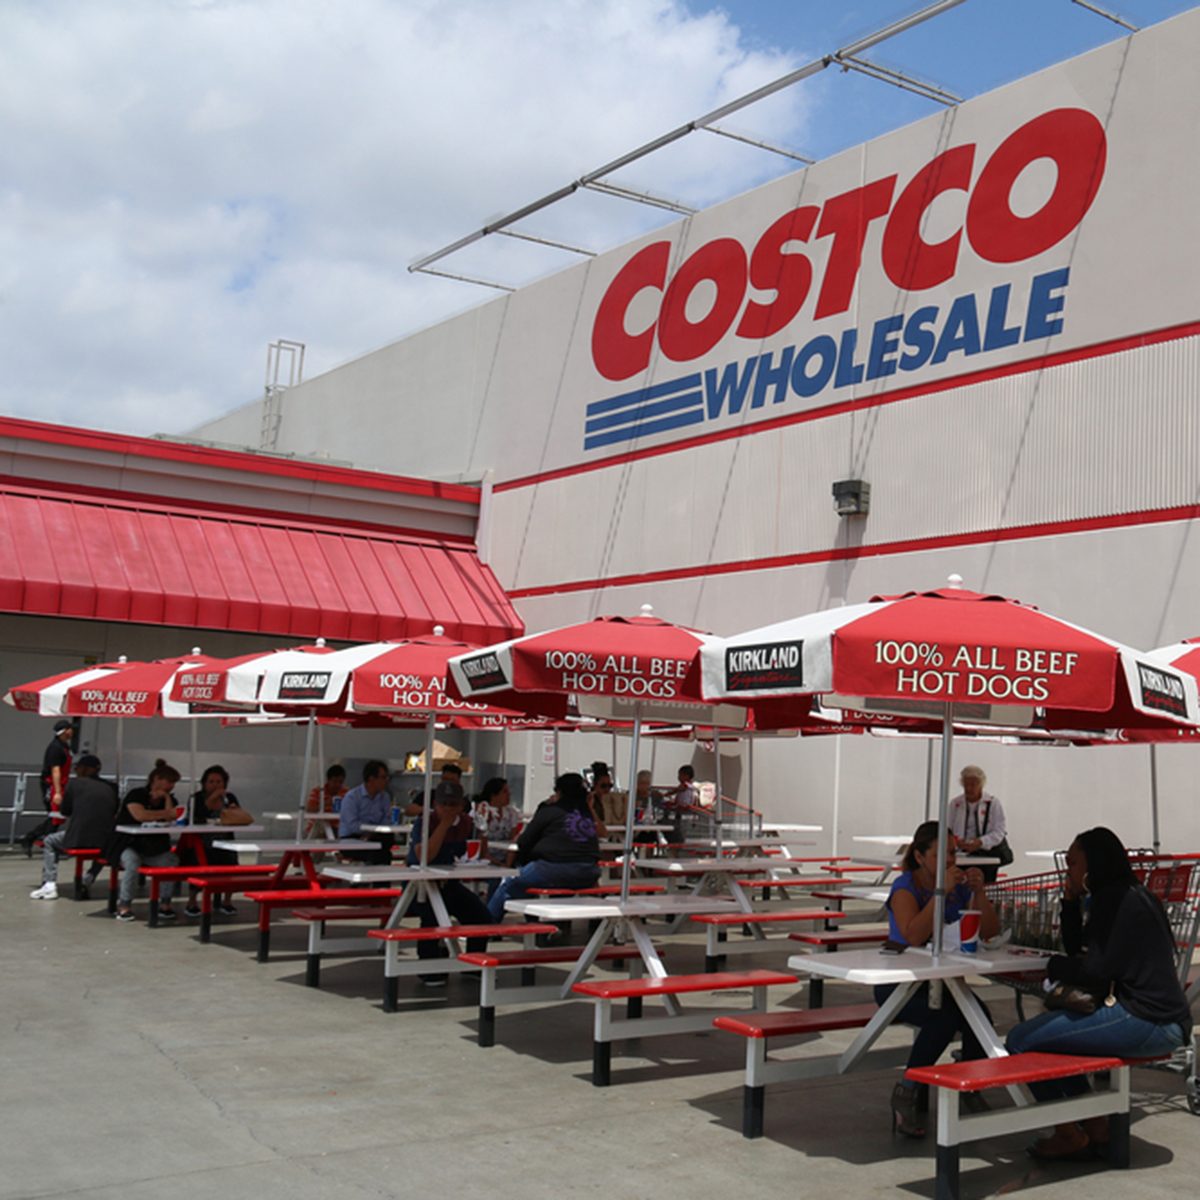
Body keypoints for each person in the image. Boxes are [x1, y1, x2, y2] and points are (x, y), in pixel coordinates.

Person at [1006, 827, 1192, 1161]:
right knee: (1057, 1040)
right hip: (1163, 1019)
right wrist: (1069, 902)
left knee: (1020, 1039)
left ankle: (1068, 1134)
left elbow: (1093, 971)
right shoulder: (1132, 894)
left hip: (1147, 1019)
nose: (1068, 871)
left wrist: (1052, 966)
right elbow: (1080, 949)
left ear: (1094, 864)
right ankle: (1096, 1127)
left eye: (1073, 863)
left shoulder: (1113, 901)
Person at [878, 820, 1000, 1138]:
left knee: (980, 1017)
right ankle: (906, 1091)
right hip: (899, 983)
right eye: (941, 853)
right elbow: (913, 935)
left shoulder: (958, 886)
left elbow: (989, 931)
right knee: (943, 1020)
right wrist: (940, 893)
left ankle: (969, 1085)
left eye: (953, 852)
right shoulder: (904, 887)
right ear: (920, 856)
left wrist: (979, 893)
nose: (950, 859)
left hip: (942, 982)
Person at [406, 780, 492, 985]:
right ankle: (428, 967)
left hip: (449, 884)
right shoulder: (424, 823)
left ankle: (473, 962)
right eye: (443, 804)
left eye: (452, 804)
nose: (447, 809)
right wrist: (443, 825)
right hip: (419, 886)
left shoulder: (467, 824)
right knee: (431, 916)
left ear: (461, 806)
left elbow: (479, 855)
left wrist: (482, 833)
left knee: (481, 916)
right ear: (435, 804)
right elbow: (424, 856)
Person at [486, 772, 605, 920]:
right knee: (530, 883)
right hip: (589, 872)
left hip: (551, 869)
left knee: (508, 884)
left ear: (559, 792)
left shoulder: (549, 811)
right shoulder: (586, 814)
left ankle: (486, 925)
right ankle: (538, 925)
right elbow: (602, 833)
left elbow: (524, 841)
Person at [29, 754, 118, 900]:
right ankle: (89, 877)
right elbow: (114, 810)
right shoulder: (112, 787)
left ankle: (49, 884)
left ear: (85, 769)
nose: (76, 771)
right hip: (105, 840)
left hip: (78, 837)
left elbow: (65, 811)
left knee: (49, 841)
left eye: (77, 768)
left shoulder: (74, 784)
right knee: (103, 850)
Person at [108, 759, 183, 923]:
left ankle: (165, 903)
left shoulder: (171, 799)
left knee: (171, 861)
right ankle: (124, 905)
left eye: (173, 783)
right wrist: (164, 814)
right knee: (132, 862)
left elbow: (173, 816)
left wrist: (166, 798)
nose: (171, 786)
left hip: (154, 847)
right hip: (127, 843)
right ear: (156, 779)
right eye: (169, 782)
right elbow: (140, 815)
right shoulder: (136, 795)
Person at [182, 764, 254, 917]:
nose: (215, 785)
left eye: (219, 782)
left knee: (230, 863)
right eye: (211, 782)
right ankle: (192, 901)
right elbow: (199, 813)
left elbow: (238, 816)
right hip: (202, 841)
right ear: (204, 783)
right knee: (198, 863)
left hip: (225, 840)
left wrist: (232, 809)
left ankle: (226, 901)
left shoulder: (229, 797)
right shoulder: (196, 798)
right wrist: (214, 797)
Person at [22, 718, 75, 857]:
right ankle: (38, 840)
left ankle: (40, 840)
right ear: (64, 731)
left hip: (61, 784)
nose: (72, 731)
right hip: (52, 784)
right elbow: (55, 770)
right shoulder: (55, 748)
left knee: (59, 816)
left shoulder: (65, 746)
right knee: (55, 816)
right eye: (70, 729)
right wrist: (57, 792)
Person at [948, 764, 1007, 883]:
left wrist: (981, 842)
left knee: (984, 886)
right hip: (961, 857)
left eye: (973, 785)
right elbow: (948, 829)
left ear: (981, 784)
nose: (969, 788)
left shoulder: (993, 803)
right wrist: (956, 842)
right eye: (966, 785)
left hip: (987, 856)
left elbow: (1000, 831)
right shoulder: (955, 804)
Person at [337, 760, 393, 864]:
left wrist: (372, 833)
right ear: (371, 779)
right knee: (380, 855)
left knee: (387, 841)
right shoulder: (352, 797)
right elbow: (352, 825)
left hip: (375, 836)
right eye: (383, 777)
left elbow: (386, 820)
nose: (386, 781)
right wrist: (368, 832)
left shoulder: (385, 797)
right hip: (351, 837)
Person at [473, 777, 522, 866]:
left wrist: (507, 865)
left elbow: (513, 840)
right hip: (484, 860)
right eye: (505, 792)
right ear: (493, 795)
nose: (509, 794)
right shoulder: (482, 812)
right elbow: (480, 843)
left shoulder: (512, 813)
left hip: (506, 859)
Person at [305, 763, 346, 838]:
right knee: (322, 825)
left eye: (340, 782)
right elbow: (309, 810)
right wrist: (325, 804)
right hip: (318, 828)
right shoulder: (318, 791)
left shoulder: (346, 793)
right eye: (335, 781)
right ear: (328, 780)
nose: (337, 785)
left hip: (338, 829)